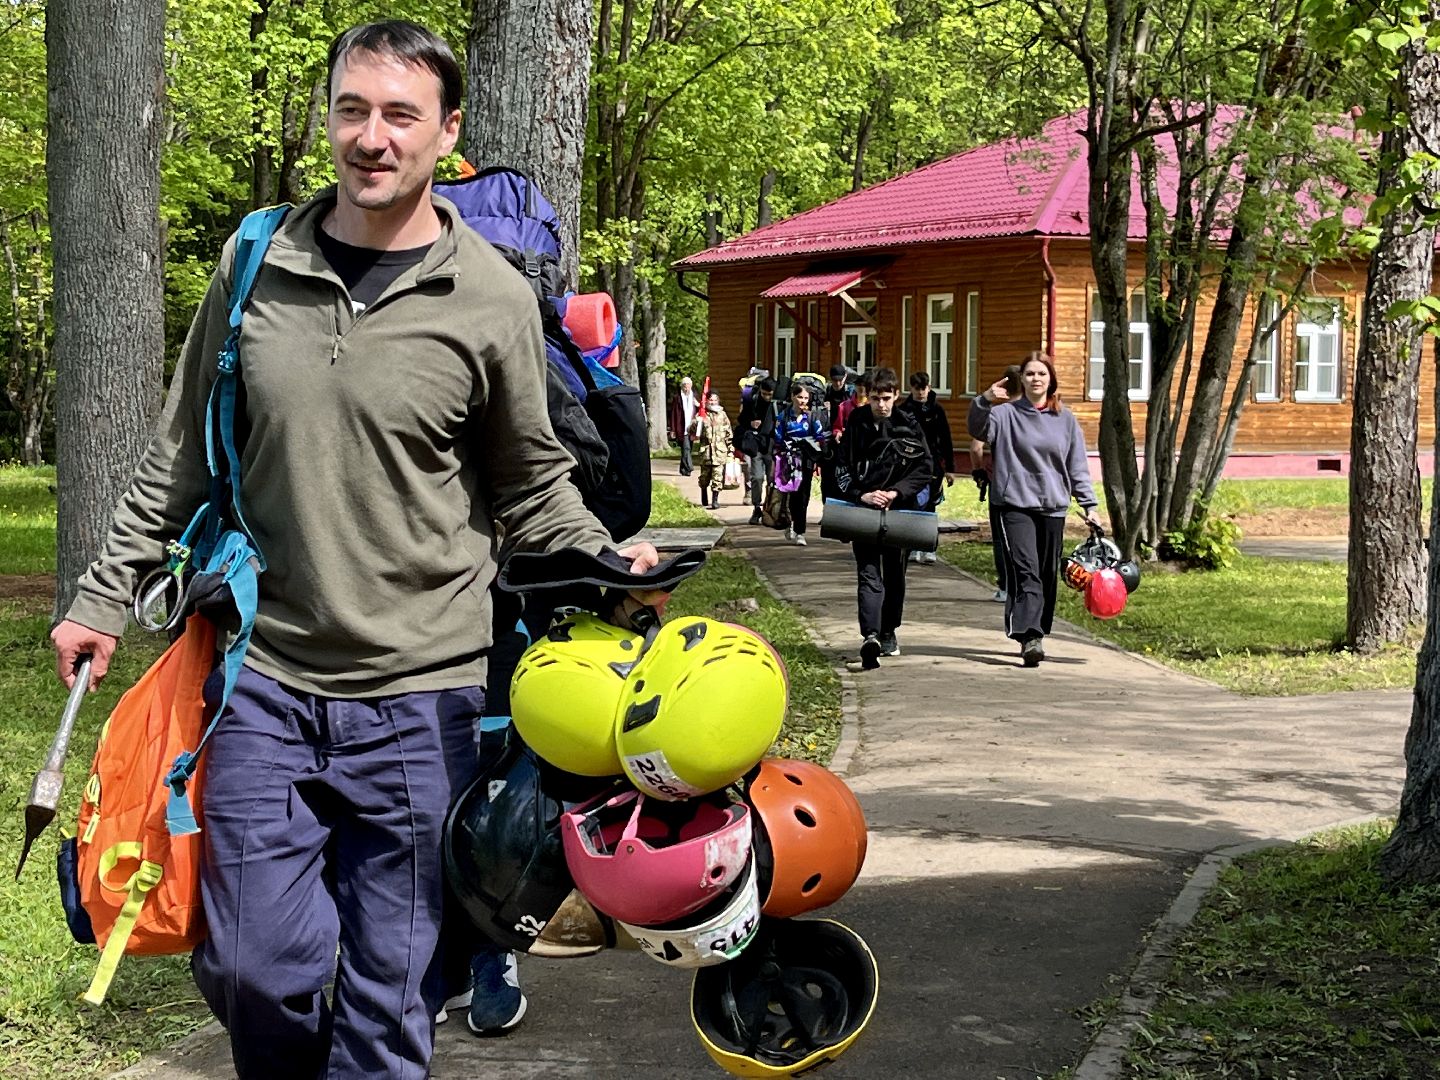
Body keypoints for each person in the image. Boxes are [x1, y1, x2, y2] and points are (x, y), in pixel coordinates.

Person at [48, 21, 662, 1078]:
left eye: (399, 115)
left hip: (424, 698)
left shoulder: (491, 298)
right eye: (351, 109)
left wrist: (609, 562)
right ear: (330, 116)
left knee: (391, 1005)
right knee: (253, 970)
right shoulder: (255, 262)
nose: (370, 137)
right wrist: (101, 597)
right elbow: (176, 453)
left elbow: (530, 481)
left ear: (446, 133)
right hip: (264, 684)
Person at [968, 351, 1101, 667]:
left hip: (1052, 506)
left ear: (1051, 379)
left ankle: (1037, 629)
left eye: (1041, 374)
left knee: (1045, 573)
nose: (1036, 379)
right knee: (1026, 571)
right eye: (1030, 374)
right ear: (1022, 380)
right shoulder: (1005, 415)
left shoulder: (1065, 419)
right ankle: (1030, 637)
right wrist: (984, 399)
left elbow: (1077, 466)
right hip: (1014, 504)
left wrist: (1089, 505)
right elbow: (976, 428)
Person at [834, 367, 931, 670]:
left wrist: (896, 493)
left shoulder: (909, 423)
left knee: (894, 575)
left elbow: (924, 468)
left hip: (898, 511)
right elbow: (842, 464)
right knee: (867, 572)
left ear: (896, 396)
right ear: (868, 396)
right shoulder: (857, 421)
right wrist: (860, 494)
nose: (881, 404)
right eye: (875, 398)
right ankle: (870, 635)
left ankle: (889, 630)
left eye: (886, 398)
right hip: (864, 510)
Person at [969, 364, 1022, 603]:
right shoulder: (1041, 414)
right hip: (1035, 490)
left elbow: (975, 445)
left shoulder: (998, 415)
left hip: (1002, 486)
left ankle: (1005, 586)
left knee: (1002, 538)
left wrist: (978, 470)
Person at [897, 371, 954, 564]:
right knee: (912, 504)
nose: (921, 392)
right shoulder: (904, 410)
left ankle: (929, 548)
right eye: (917, 388)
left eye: (924, 388)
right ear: (910, 388)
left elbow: (946, 439)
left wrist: (950, 468)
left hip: (934, 465)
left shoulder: (937, 410)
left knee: (930, 505)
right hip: (911, 465)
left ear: (929, 388)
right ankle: (912, 547)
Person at [773, 381, 827, 546]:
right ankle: (788, 523)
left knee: (803, 496)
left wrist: (814, 447)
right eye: (800, 397)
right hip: (788, 461)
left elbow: (820, 437)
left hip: (806, 462)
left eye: (806, 398)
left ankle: (800, 531)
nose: (803, 401)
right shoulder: (783, 417)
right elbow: (777, 438)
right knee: (789, 495)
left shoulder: (811, 417)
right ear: (792, 397)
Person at [737, 376, 776, 524]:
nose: (766, 397)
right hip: (756, 447)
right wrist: (750, 423)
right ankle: (757, 507)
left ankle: (769, 508)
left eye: (769, 394)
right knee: (757, 477)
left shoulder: (778, 404)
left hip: (772, 446)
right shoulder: (752, 402)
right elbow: (741, 420)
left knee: (772, 480)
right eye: (764, 393)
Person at [695, 390, 734, 508]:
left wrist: (730, 449)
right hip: (706, 451)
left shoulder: (722, 415)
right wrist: (697, 422)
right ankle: (703, 491)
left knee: (717, 477)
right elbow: (694, 431)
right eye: (710, 400)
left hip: (719, 451)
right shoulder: (702, 414)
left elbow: (728, 433)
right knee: (704, 477)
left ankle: (715, 500)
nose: (712, 402)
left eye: (715, 400)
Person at [668, 376, 700, 475]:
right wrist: (672, 429)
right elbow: (673, 414)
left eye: (688, 386)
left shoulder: (694, 396)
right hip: (681, 427)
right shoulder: (677, 398)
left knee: (688, 448)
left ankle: (683, 470)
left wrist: (698, 405)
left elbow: (700, 410)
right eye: (685, 386)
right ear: (682, 387)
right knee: (686, 447)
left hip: (691, 427)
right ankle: (689, 467)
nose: (686, 388)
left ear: (691, 386)